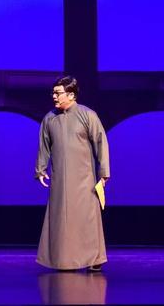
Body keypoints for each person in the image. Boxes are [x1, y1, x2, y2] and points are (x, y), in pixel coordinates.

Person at [35, 75, 110, 271]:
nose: (54, 96)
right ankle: (64, 259)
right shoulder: (50, 118)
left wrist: (103, 173)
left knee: (87, 218)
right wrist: (40, 169)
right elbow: (44, 146)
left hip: (84, 179)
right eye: (53, 93)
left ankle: (94, 259)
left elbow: (101, 142)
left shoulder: (87, 115)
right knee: (61, 219)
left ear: (71, 95)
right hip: (60, 178)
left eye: (58, 93)